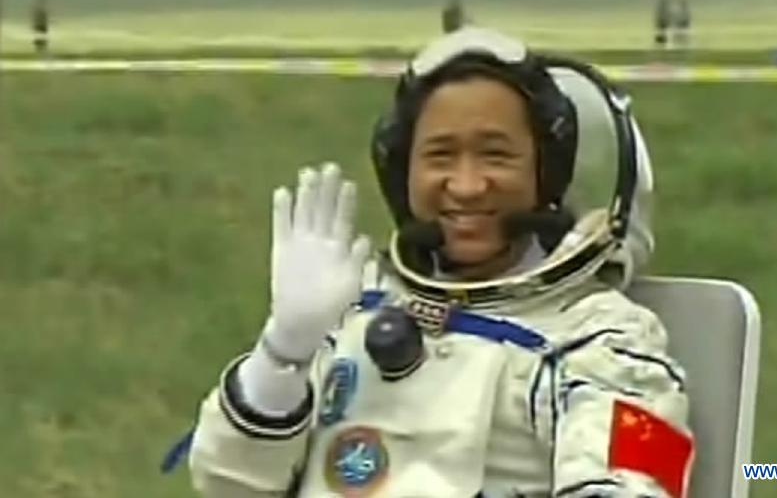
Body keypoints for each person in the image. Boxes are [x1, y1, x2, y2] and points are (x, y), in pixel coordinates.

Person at [178, 27, 694, 497]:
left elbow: (632, 485)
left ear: (546, 172)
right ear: (401, 172)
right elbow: (227, 484)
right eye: (440, 156)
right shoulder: (346, 309)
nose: (467, 186)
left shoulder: (607, 340)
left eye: (496, 155)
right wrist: (282, 353)